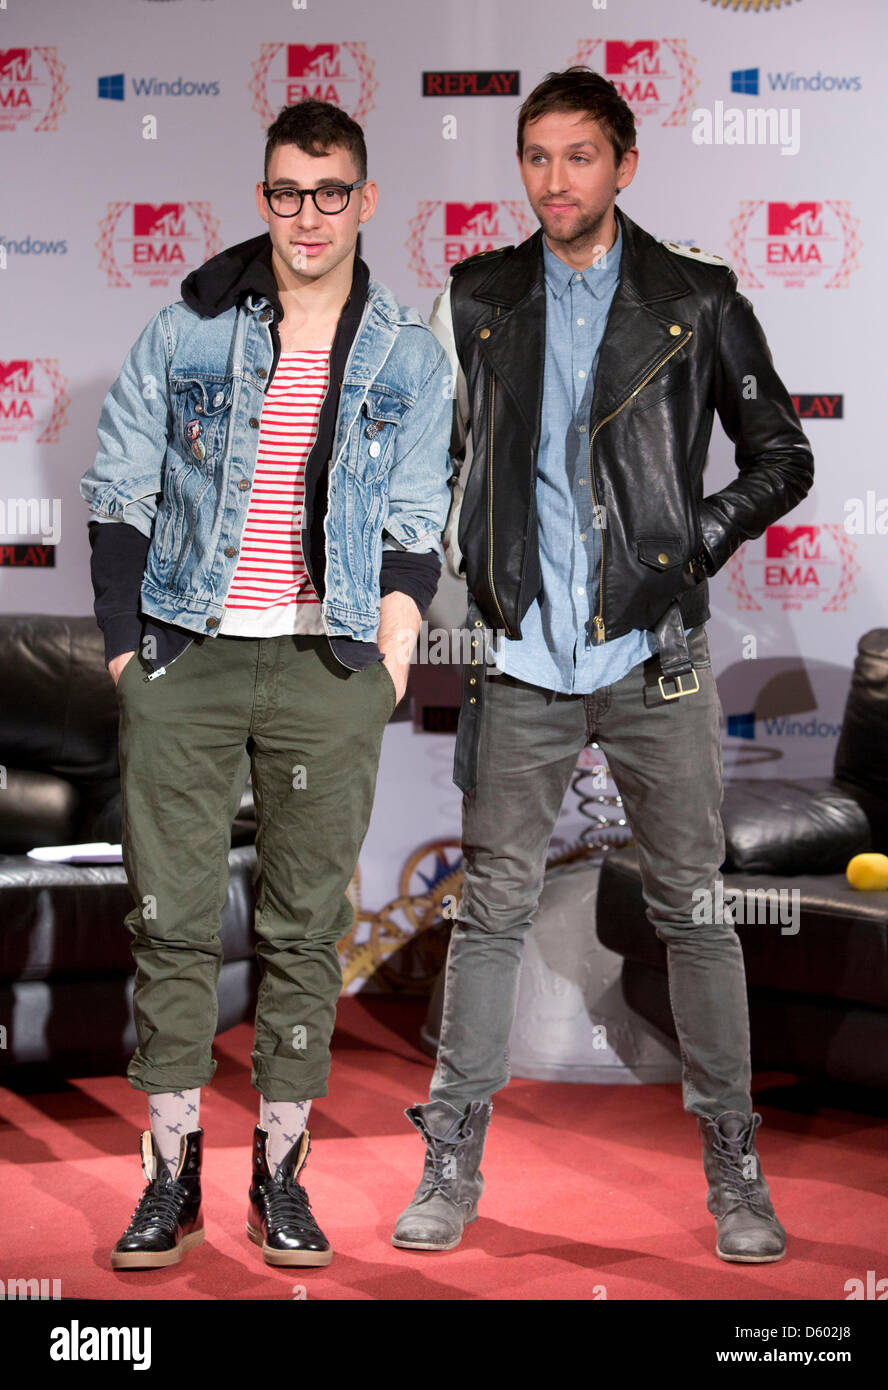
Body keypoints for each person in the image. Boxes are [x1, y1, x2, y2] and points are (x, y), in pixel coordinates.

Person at [393, 67, 813, 1264]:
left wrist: (696, 542)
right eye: (536, 157)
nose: (555, 179)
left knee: (695, 913)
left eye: (580, 156)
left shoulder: (698, 298)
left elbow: (780, 454)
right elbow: (433, 460)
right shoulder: (478, 296)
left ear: (623, 166)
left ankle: (734, 1171)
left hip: (654, 653)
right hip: (522, 655)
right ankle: (451, 1161)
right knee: (487, 916)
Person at [80, 99, 452, 1270]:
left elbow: (412, 518)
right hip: (187, 655)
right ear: (263, 197)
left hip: (324, 663)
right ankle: (170, 1174)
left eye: (330, 191)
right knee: (173, 922)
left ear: (365, 199)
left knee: (303, 929)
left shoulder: (406, 352)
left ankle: (280, 1175)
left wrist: (387, 657)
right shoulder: (189, 325)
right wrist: (128, 655)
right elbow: (116, 486)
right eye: (287, 192)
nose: (308, 214)